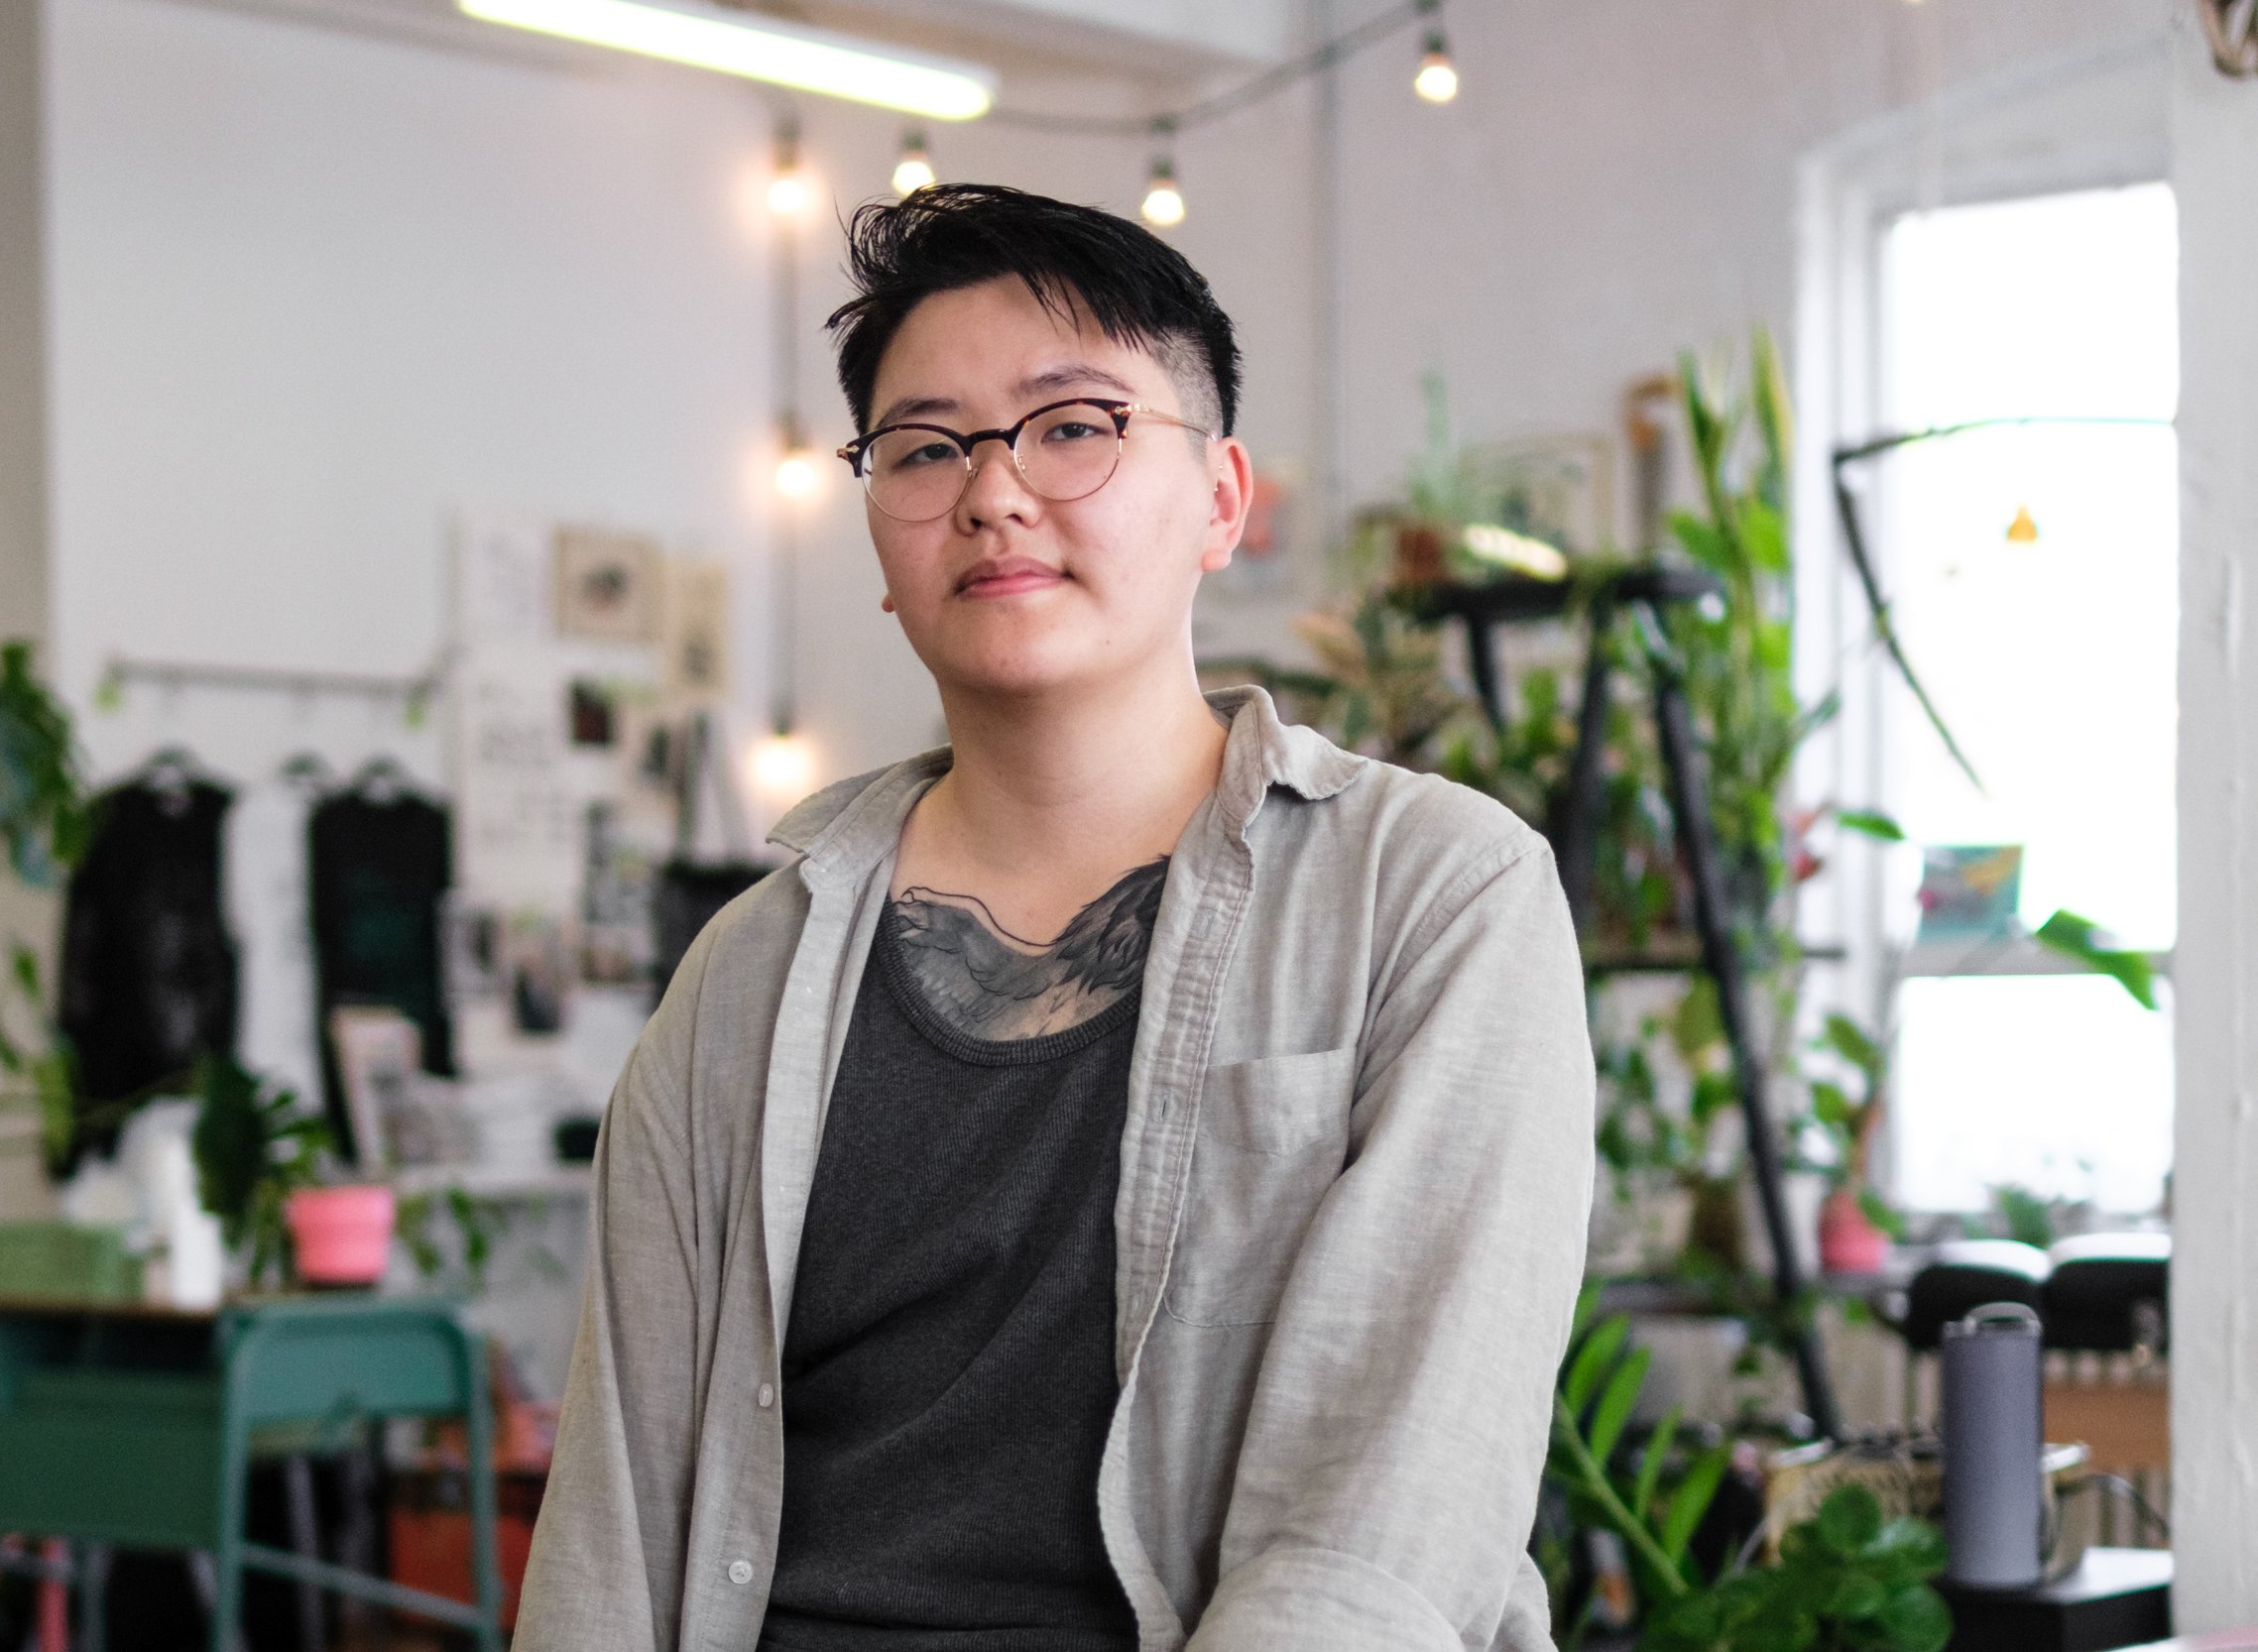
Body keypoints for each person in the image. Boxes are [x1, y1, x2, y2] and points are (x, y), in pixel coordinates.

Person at [517, 183, 1595, 1652]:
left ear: (1221, 499)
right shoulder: (745, 975)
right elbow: (613, 1526)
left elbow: (1392, 1516)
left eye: (1073, 423)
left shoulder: (1434, 894)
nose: (993, 489)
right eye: (925, 445)